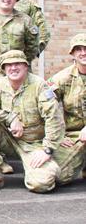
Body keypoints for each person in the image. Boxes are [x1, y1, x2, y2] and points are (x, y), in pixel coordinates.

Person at [0, 50, 65, 193]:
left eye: (17, 64)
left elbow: (54, 118)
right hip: (8, 140)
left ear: (25, 66)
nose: (13, 68)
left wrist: (47, 149)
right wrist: (10, 118)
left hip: (33, 144)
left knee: (41, 184)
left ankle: (41, 169)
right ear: (3, 69)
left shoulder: (39, 85)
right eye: (8, 65)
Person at [47, 33, 86, 182]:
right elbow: (44, 104)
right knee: (57, 176)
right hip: (74, 136)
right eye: (79, 49)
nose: (83, 53)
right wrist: (58, 134)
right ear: (72, 53)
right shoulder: (62, 78)